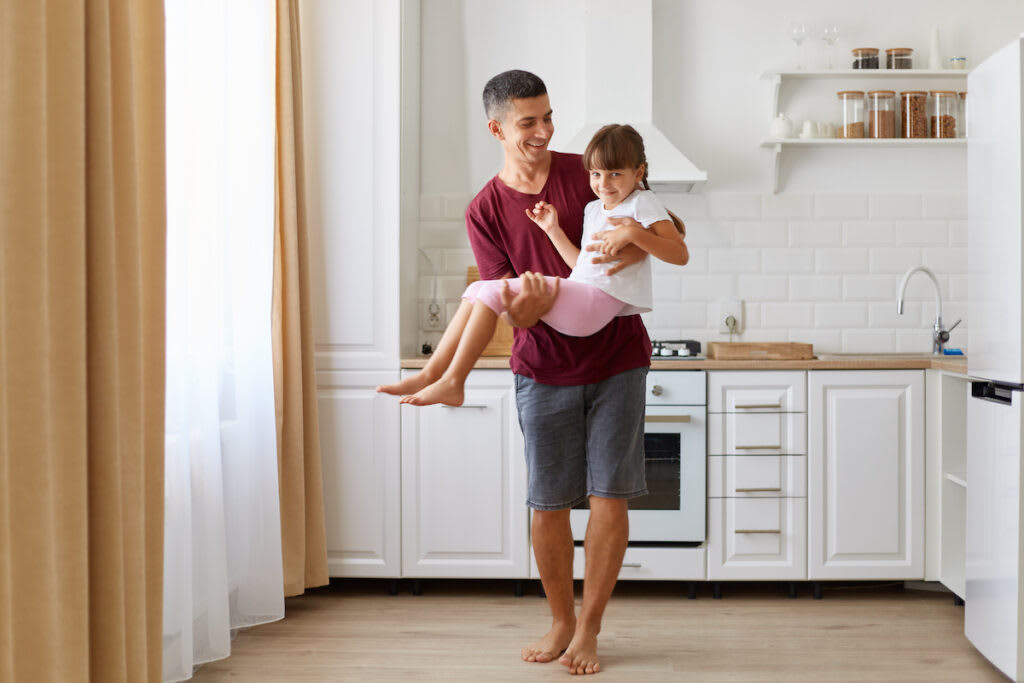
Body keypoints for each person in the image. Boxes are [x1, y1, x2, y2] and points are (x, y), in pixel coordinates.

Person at [406, 69, 684, 675]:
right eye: (528, 122)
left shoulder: (588, 169)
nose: (543, 131)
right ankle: (560, 618)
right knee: (549, 502)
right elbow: (508, 300)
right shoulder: (485, 208)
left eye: (548, 117)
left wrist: (626, 245)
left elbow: (662, 229)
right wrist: (525, 315)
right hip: (541, 366)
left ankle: (589, 629)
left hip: (616, 357)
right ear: (497, 128)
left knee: (610, 495)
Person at [377, 123, 687, 408]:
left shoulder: (641, 202)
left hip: (597, 306)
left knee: (492, 292)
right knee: (478, 289)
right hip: (583, 296)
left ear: (639, 172)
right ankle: (431, 373)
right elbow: (581, 264)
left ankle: (453, 381)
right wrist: (552, 229)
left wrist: (633, 234)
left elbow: (679, 252)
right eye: (595, 174)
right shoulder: (594, 209)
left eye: (615, 174)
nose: (603, 183)